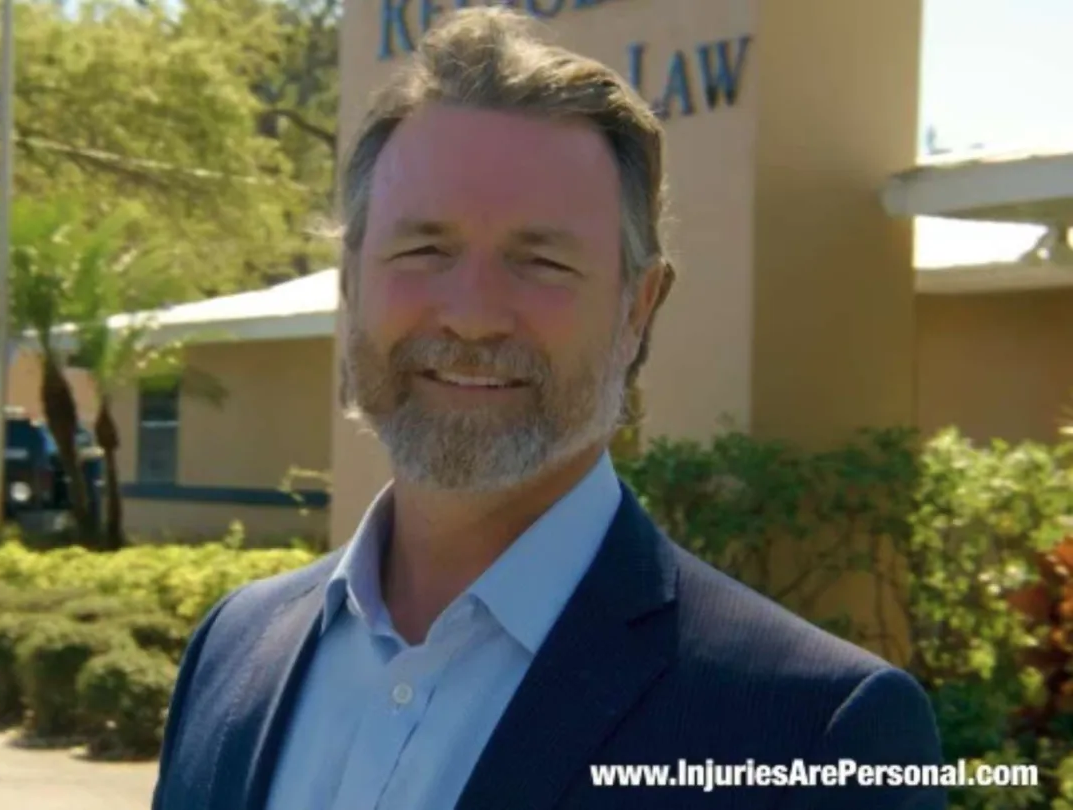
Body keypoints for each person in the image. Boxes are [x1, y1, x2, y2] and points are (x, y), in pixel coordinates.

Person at [152, 7, 945, 810]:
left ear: (639, 307)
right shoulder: (233, 649)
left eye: (541, 261)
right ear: (353, 282)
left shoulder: (817, 735)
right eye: (424, 249)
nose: (472, 315)